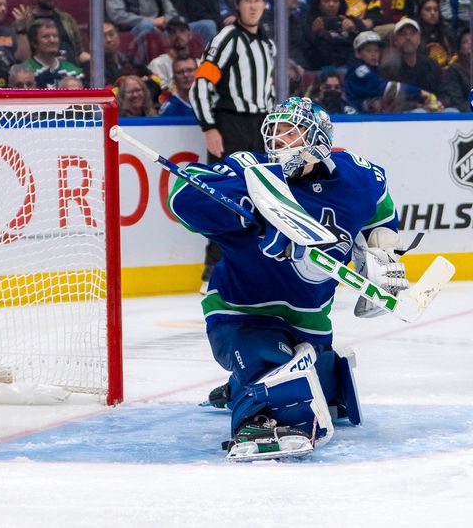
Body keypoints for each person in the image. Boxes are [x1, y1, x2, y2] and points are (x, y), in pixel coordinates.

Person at [167, 96, 407, 460]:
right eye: (274, 134)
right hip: (242, 313)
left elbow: (381, 208)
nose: (279, 143)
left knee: (320, 386)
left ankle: (239, 386)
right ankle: (253, 414)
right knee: (283, 385)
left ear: (319, 138)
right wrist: (247, 210)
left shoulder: (357, 176)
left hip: (310, 318)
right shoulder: (252, 174)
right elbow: (182, 195)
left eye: (290, 132)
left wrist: (383, 256)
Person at [191, 0, 275, 290]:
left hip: (260, 125)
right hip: (230, 124)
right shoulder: (227, 38)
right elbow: (200, 84)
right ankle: (212, 270)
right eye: (247, 0)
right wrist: (209, 127)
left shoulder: (268, 44)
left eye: (258, 0)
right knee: (225, 196)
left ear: (265, 5)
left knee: (263, 197)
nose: (253, 6)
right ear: (238, 6)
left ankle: (253, 267)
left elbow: (267, 91)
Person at [380, 17, 446, 111]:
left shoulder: (431, 65)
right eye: (403, 34)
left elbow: (445, 91)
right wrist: (420, 107)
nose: (408, 37)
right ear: (395, 40)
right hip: (403, 117)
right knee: (420, 113)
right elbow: (390, 101)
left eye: (412, 33)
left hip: (433, 109)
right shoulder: (388, 67)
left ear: (419, 38)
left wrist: (440, 103)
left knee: (452, 112)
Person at [12, 0, 88, 66]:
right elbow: (22, 60)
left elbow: (80, 53)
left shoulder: (67, 19)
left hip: (71, 73)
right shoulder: (25, 22)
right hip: (39, 74)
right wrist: (21, 29)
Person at [105, 0, 180, 63]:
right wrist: (152, 22)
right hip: (132, 28)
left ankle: (182, 61)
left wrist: (166, 21)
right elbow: (117, 16)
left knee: (190, 27)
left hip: (161, 27)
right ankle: (140, 65)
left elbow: (172, 13)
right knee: (146, 26)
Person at [305, 0, 366, 70]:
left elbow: (368, 38)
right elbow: (307, 51)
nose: (331, 4)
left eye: (335, 1)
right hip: (323, 68)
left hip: (352, 64)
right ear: (319, 4)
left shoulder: (350, 20)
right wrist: (314, 34)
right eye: (326, 1)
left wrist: (354, 29)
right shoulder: (310, 23)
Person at [25, 18, 84, 89]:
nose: (52, 40)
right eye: (46, 36)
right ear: (34, 43)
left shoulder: (73, 71)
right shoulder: (25, 71)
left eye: (55, 36)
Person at [148, 16, 194, 91]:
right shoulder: (157, 64)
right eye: (172, 32)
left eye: (182, 31)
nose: (177, 35)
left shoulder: (199, 63)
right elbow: (161, 95)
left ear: (190, 35)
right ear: (167, 37)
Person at [439, 31, 471, 111]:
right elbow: (457, 101)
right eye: (465, 42)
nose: (470, 44)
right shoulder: (453, 71)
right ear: (460, 48)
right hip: (463, 116)